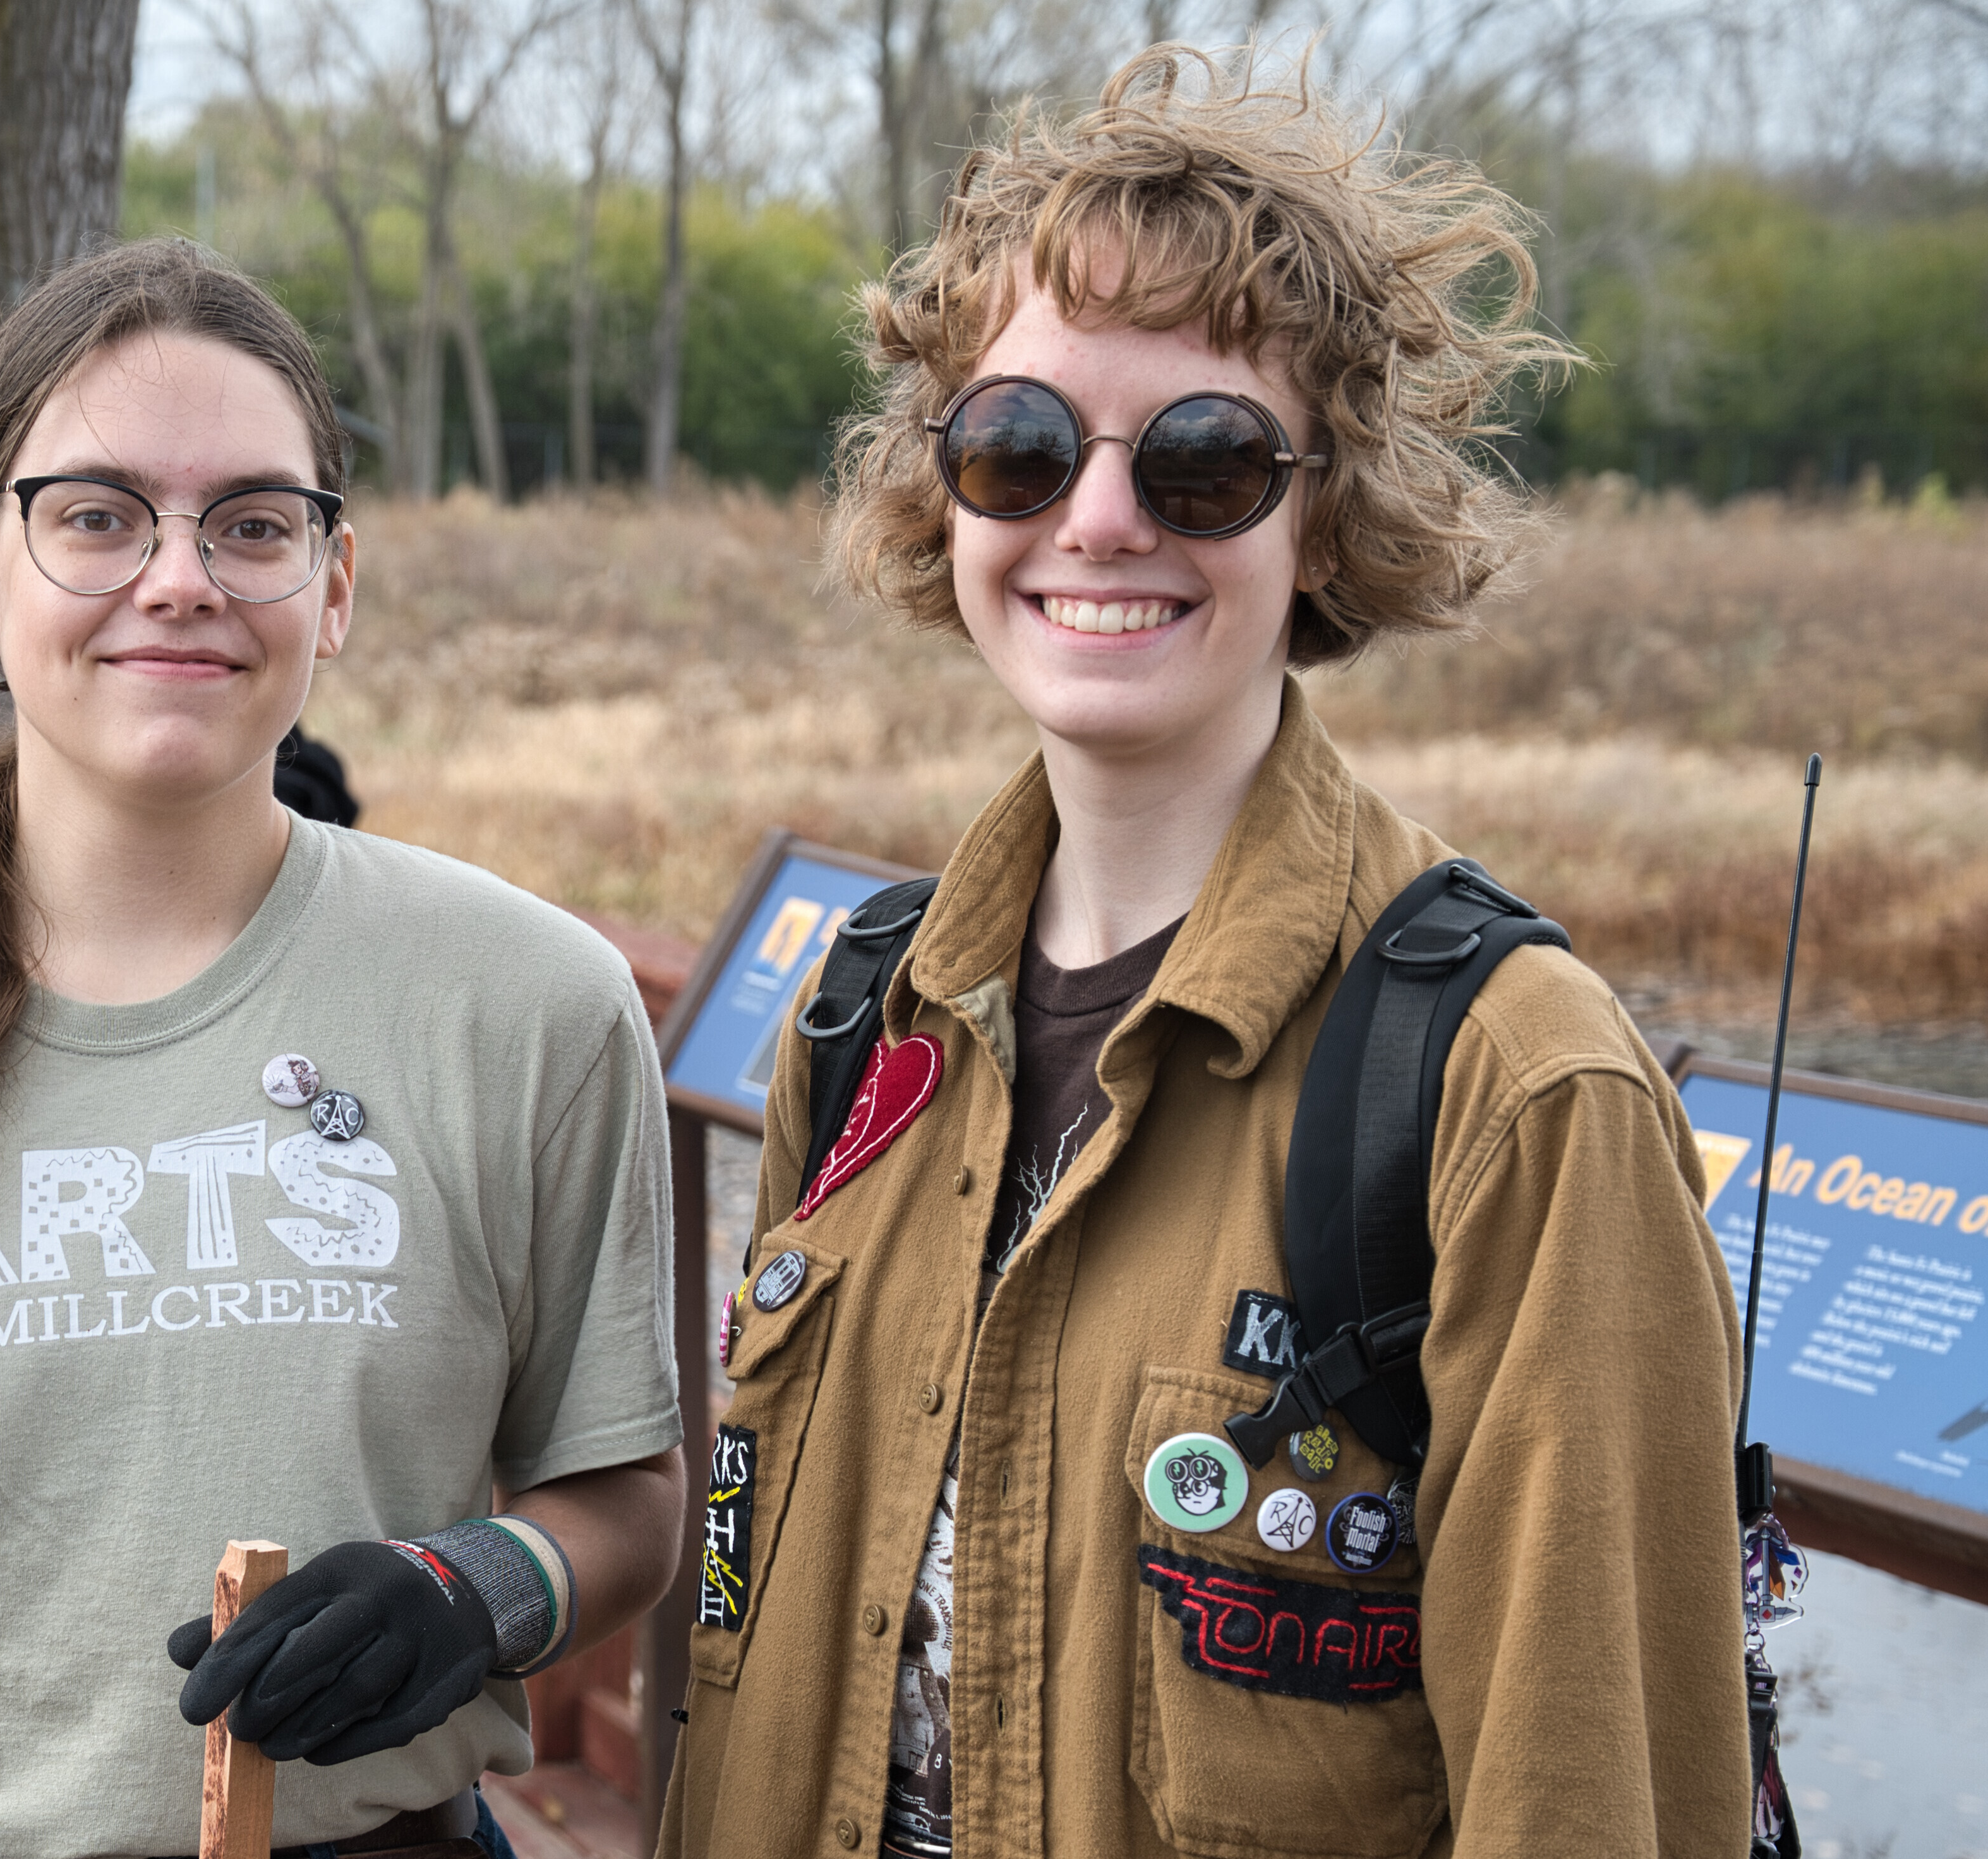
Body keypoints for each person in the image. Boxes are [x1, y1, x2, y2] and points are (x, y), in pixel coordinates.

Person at [657, 46, 1748, 1859]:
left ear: (1324, 511)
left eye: (1205, 460)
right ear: (948, 492)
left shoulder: (1512, 1089)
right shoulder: (864, 1016)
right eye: (1019, 444)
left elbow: (1593, 1799)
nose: (1096, 519)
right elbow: (731, 1592)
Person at [0, 238, 687, 1858]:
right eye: (96, 516)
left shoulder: (529, 1003)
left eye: (253, 523)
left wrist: (477, 1584)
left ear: (335, 585)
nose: (180, 578)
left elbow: (635, 1501)